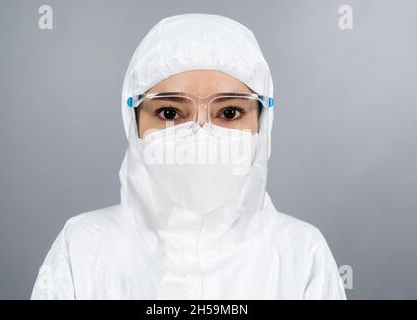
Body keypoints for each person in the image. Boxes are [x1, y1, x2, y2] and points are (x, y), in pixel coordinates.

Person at [31, 13, 346, 300]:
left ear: (262, 124)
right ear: (134, 123)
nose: (201, 135)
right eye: (170, 112)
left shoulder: (302, 255)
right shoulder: (83, 248)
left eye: (230, 112)